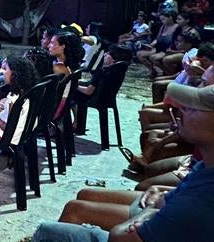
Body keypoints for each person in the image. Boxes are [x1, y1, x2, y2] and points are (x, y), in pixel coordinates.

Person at [31, 81, 214, 242]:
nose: (181, 109)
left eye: (193, 108)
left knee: (50, 229)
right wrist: (158, 201)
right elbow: (167, 201)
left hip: (145, 225)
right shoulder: (205, 166)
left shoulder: (200, 201)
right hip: (160, 214)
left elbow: (119, 237)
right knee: (84, 195)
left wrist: (149, 212)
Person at [0, 57, 39, 144]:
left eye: (6, 69)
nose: (4, 73)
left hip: (8, 137)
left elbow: (7, 127)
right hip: (25, 132)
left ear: (14, 74)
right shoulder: (27, 91)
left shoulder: (14, 99)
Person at [137, 12, 180, 78]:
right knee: (140, 54)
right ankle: (153, 71)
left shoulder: (177, 27)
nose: (162, 21)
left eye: (163, 19)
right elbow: (157, 39)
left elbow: (175, 42)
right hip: (159, 48)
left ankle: (168, 73)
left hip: (168, 49)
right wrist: (150, 45)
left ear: (170, 17)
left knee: (154, 57)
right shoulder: (163, 26)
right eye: (161, 20)